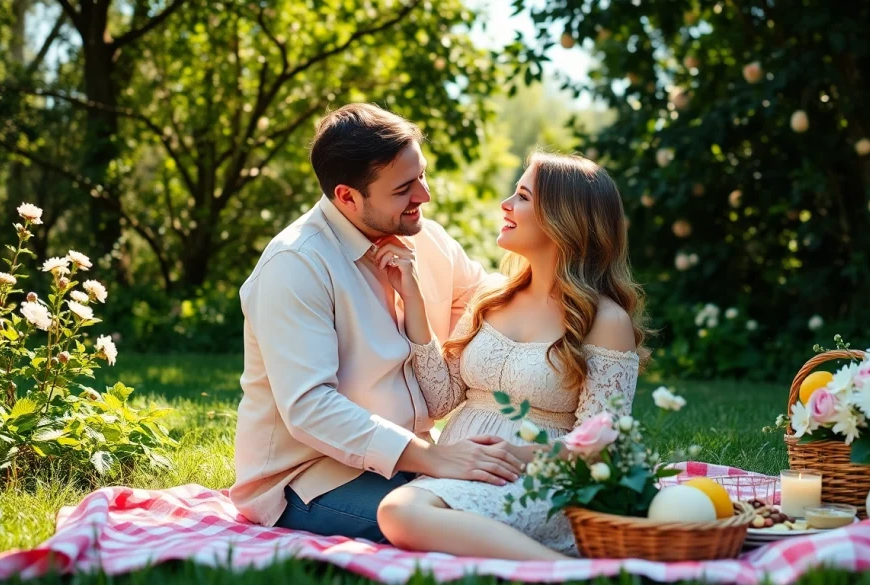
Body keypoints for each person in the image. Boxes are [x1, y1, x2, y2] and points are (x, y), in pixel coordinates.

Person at [229, 103, 526, 540]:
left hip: (414, 461)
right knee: (478, 523)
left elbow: (489, 302)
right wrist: (435, 459)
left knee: (537, 498)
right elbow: (311, 409)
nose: (424, 195)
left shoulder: (428, 238)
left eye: (421, 175)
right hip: (309, 477)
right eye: (404, 187)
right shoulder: (295, 265)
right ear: (347, 196)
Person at [373, 152, 649, 560]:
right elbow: (442, 399)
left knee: (398, 511)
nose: (506, 204)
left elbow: (601, 444)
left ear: (563, 217)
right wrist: (410, 298)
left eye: (522, 196)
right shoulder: (491, 296)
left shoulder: (605, 319)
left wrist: (513, 455)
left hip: (540, 479)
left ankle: (562, 571)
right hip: (461, 471)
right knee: (400, 510)